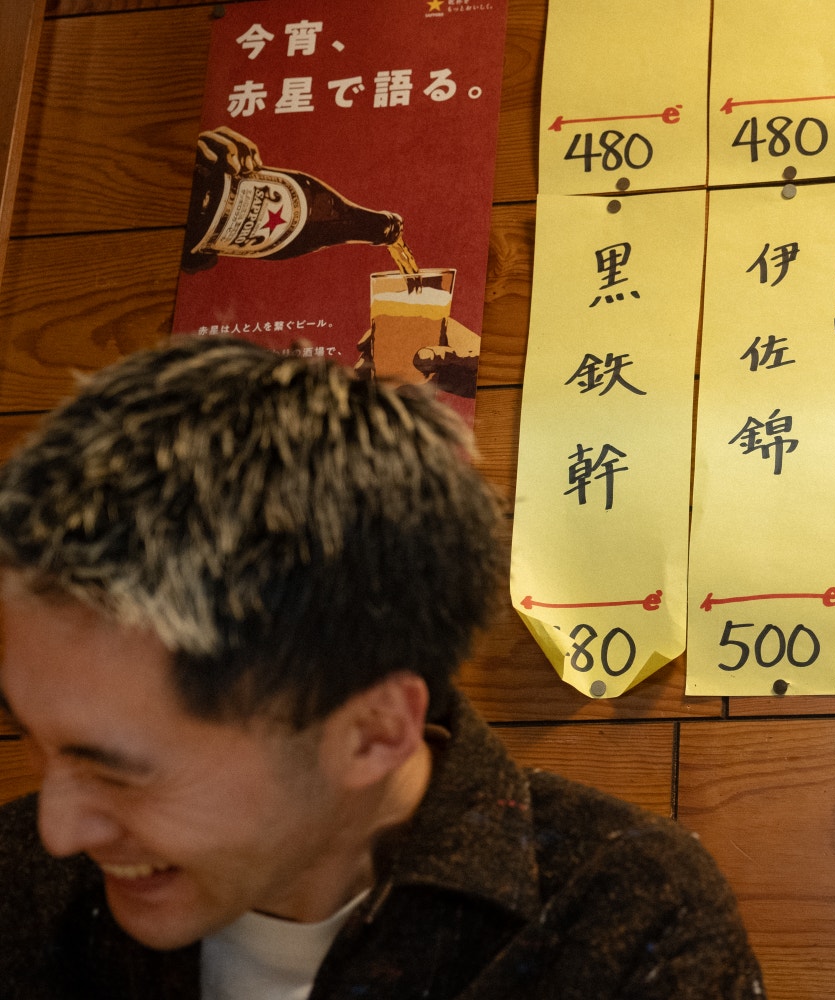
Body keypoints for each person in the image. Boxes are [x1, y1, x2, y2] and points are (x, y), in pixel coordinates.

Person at [0, 337, 763, 999]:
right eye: (35, 740)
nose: (56, 830)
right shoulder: (18, 885)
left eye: (118, 772)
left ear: (372, 733)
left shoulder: (624, 914)